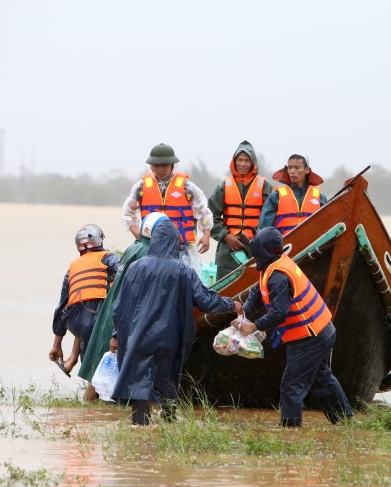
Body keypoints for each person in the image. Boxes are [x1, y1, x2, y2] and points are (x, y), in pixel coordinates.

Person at [110, 220, 243, 425]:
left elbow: (119, 306)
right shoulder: (184, 271)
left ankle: (140, 424)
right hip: (171, 336)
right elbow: (206, 300)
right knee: (169, 377)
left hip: (139, 334)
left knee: (139, 379)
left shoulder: (135, 267)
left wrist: (116, 334)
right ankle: (169, 421)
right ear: (175, 243)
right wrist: (231, 305)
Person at [233, 227, 353, 427]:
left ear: (264, 251)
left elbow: (280, 312)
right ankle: (344, 422)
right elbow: (257, 291)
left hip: (311, 336)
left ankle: (290, 431)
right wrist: (243, 312)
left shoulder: (278, 275)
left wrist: (254, 326)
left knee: (291, 386)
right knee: (321, 377)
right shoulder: (273, 265)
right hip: (323, 329)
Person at [76, 212, 170, 385]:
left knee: (101, 366)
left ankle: (91, 407)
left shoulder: (135, 247)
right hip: (124, 313)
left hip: (112, 308)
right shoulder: (146, 252)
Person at [49, 224, 120, 401]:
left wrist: (56, 345)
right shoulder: (108, 258)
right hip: (97, 320)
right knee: (95, 376)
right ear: (99, 240)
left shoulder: (71, 269)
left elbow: (60, 307)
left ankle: (73, 360)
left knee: (91, 367)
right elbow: (123, 272)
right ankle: (89, 406)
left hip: (75, 322)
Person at [122, 143, 213, 276]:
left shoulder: (188, 187)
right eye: (157, 165)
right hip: (151, 247)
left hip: (182, 247)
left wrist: (206, 235)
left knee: (188, 281)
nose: (160, 169)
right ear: (151, 166)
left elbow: (203, 210)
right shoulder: (140, 187)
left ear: (172, 165)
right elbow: (127, 214)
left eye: (164, 165)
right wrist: (139, 236)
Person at [208, 140, 273, 282]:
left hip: (256, 249)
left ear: (253, 163)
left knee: (255, 290)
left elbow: (272, 216)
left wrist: (261, 239)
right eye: (240, 160)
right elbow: (209, 216)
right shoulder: (224, 186)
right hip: (227, 251)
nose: (243, 164)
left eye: (247, 160)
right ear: (234, 161)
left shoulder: (264, 186)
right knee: (225, 292)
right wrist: (225, 236)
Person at [257, 154, 328, 235]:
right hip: (284, 245)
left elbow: (327, 224)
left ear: (307, 170)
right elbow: (263, 228)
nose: (292, 171)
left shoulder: (319, 197)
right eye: (290, 168)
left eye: (297, 168)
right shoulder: (276, 195)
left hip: (313, 245)